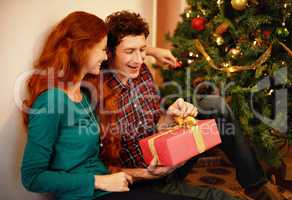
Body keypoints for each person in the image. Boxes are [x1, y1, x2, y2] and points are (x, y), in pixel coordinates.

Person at [96, 10, 284, 200]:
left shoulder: (141, 71)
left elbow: (156, 122)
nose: (139, 59)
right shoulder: (97, 91)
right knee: (224, 198)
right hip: (147, 179)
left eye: (142, 50)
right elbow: (100, 169)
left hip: (169, 156)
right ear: (108, 52)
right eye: (129, 51)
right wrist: (146, 174)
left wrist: (170, 116)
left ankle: (258, 187)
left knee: (214, 105)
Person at [20, 11, 206, 200]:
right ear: (83, 49)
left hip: (119, 183)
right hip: (96, 191)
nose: (105, 55)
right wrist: (99, 181)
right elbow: (32, 178)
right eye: (103, 49)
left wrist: (146, 172)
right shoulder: (53, 101)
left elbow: (94, 162)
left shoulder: (83, 94)